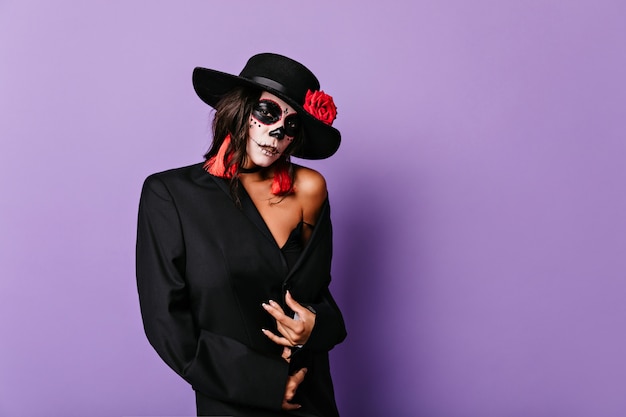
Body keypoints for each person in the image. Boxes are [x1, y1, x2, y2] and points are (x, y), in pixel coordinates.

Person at [136, 53, 347, 417]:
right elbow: (166, 321)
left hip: (310, 395)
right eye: (268, 112)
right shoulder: (170, 195)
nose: (279, 133)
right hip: (235, 396)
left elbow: (318, 297)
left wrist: (315, 327)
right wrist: (265, 383)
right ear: (240, 109)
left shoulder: (309, 189)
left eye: (293, 125)